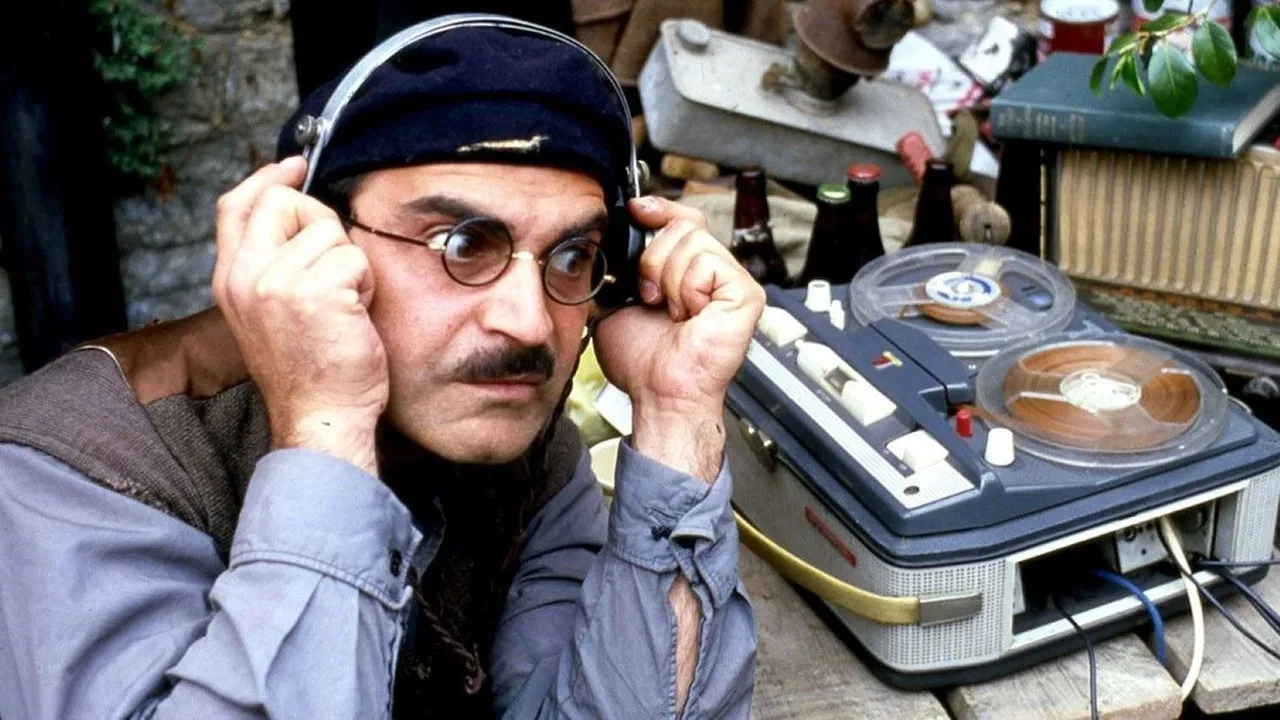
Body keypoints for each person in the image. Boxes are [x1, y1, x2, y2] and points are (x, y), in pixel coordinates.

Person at [0, 18, 762, 720]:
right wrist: (324, 429)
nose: (529, 323)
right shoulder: (72, 469)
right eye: (463, 245)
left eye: (572, 255)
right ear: (310, 243)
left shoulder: (527, 447)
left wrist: (677, 414)